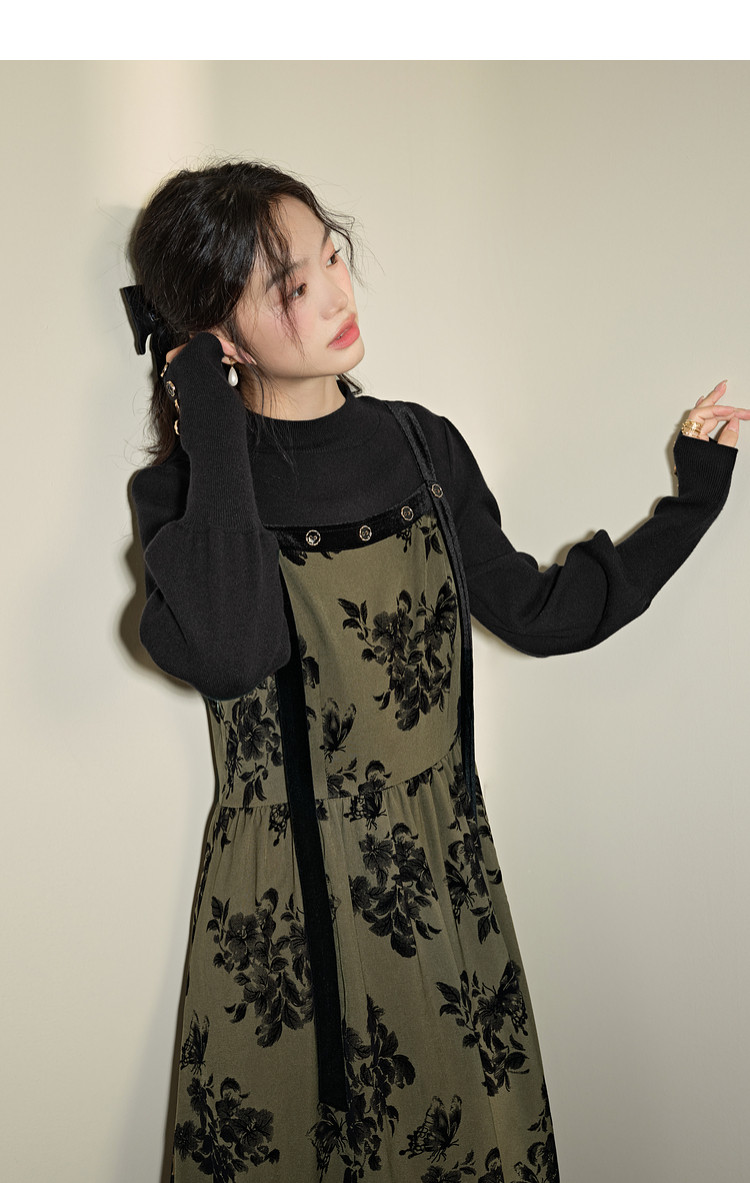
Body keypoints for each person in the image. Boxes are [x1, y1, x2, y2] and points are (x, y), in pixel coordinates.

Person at [125, 160, 744, 1183]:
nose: (338, 293)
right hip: (283, 921)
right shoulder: (184, 499)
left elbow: (543, 613)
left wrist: (694, 503)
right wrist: (213, 421)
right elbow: (234, 653)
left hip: (441, 891)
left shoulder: (421, 447)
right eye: (293, 284)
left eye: (332, 257)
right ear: (218, 337)